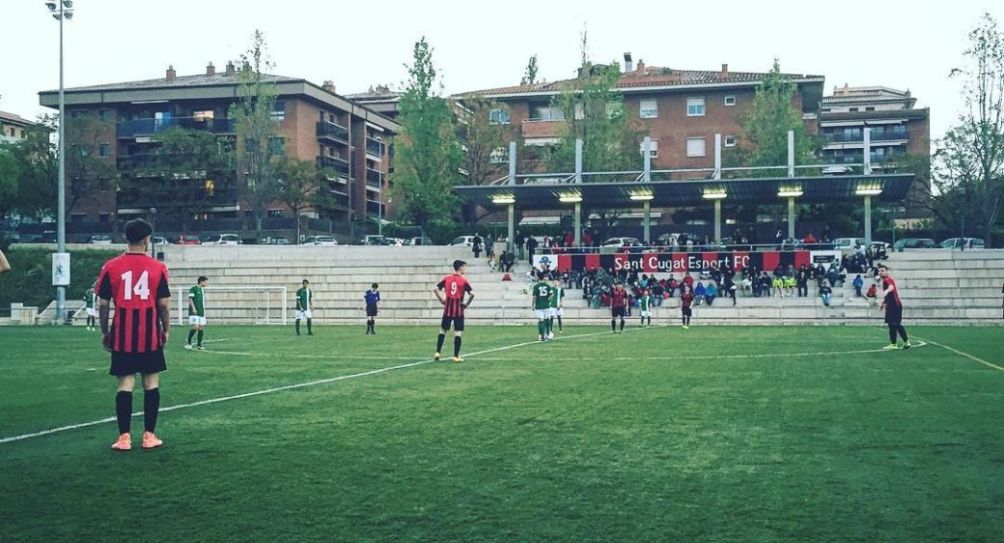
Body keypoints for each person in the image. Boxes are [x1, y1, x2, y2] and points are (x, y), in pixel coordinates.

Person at [95, 219, 169, 451]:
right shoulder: (158, 268)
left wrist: (105, 331)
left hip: (122, 333)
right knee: (151, 383)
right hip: (149, 333)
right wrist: (165, 329)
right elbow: (164, 304)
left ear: (126, 238)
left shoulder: (111, 266)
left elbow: (103, 304)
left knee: (125, 384)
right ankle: (149, 436)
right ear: (147, 239)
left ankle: (124, 437)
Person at [434, 260, 475, 362]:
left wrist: (441, 300)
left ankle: (438, 352)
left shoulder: (447, 278)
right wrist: (466, 304)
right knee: (458, 333)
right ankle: (456, 356)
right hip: (458, 310)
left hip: (447, 309)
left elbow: (435, 289)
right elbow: (472, 294)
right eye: (464, 267)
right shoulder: (463, 280)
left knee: (443, 331)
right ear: (460, 267)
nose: (465, 269)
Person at [878, 264, 911, 350]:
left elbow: (891, 287)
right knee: (894, 324)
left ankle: (897, 343)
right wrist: (883, 303)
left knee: (894, 324)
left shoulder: (888, 280)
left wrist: (886, 291)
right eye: (879, 271)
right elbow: (889, 294)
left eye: (882, 271)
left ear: (886, 271)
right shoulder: (885, 280)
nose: (880, 272)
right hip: (892, 304)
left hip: (894, 305)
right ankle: (903, 342)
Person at [185, 276, 208, 350]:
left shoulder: (202, 290)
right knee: (195, 327)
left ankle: (199, 345)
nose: (206, 283)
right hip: (194, 312)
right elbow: (190, 299)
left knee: (201, 327)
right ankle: (189, 342)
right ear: (201, 281)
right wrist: (194, 308)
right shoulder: (193, 288)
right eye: (205, 281)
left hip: (201, 311)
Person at [531, 272, 552, 342]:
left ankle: (541, 335)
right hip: (546, 305)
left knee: (541, 320)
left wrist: (533, 305)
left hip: (539, 305)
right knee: (547, 319)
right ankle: (547, 333)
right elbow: (551, 295)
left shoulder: (536, 286)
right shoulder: (548, 286)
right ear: (543, 277)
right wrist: (548, 300)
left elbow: (534, 297)